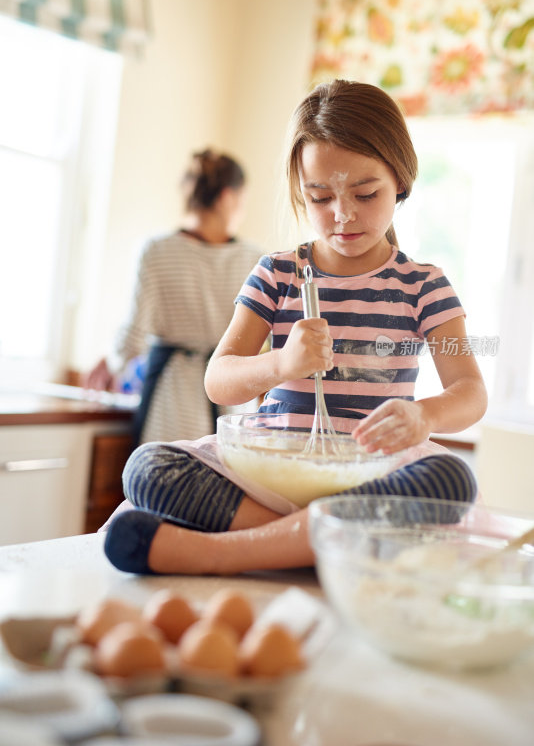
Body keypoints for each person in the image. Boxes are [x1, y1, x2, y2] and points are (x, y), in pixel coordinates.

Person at [103, 80, 488, 576]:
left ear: (401, 181)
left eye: (366, 193)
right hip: (270, 472)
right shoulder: (278, 272)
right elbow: (218, 377)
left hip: (368, 476)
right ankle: (320, 541)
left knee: (450, 478)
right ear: (299, 192)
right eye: (320, 196)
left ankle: (224, 553)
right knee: (148, 467)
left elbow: (470, 391)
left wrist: (425, 418)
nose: (342, 215)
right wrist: (281, 362)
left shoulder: (424, 285)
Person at [84, 149, 263, 446]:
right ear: (227, 197)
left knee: (167, 485)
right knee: (226, 485)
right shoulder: (256, 259)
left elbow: (134, 334)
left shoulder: (156, 250)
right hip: (233, 401)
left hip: (173, 401)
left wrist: (111, 362)